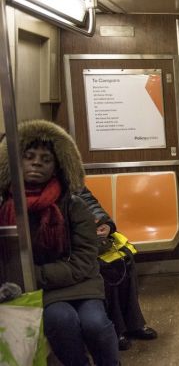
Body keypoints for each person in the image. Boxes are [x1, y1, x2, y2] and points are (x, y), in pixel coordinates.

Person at [0, 119, 120, 365]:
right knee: (61, 320)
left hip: (80, 282)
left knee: (95, 324)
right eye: (29, 157)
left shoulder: (73, 206)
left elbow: (84, 260)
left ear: (56, 168)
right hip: (41, 291)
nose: (36, 163)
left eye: (46, 159)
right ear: (15, 162)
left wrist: (33, 275)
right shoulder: (7, 208)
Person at [77, 186, 158, 351]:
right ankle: (116, 328)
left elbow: (90, 204)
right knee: (107, 269)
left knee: (124, 259)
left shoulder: (70, 181)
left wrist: (104, 223)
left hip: (89, 234)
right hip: (72, 242)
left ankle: (134, 323)